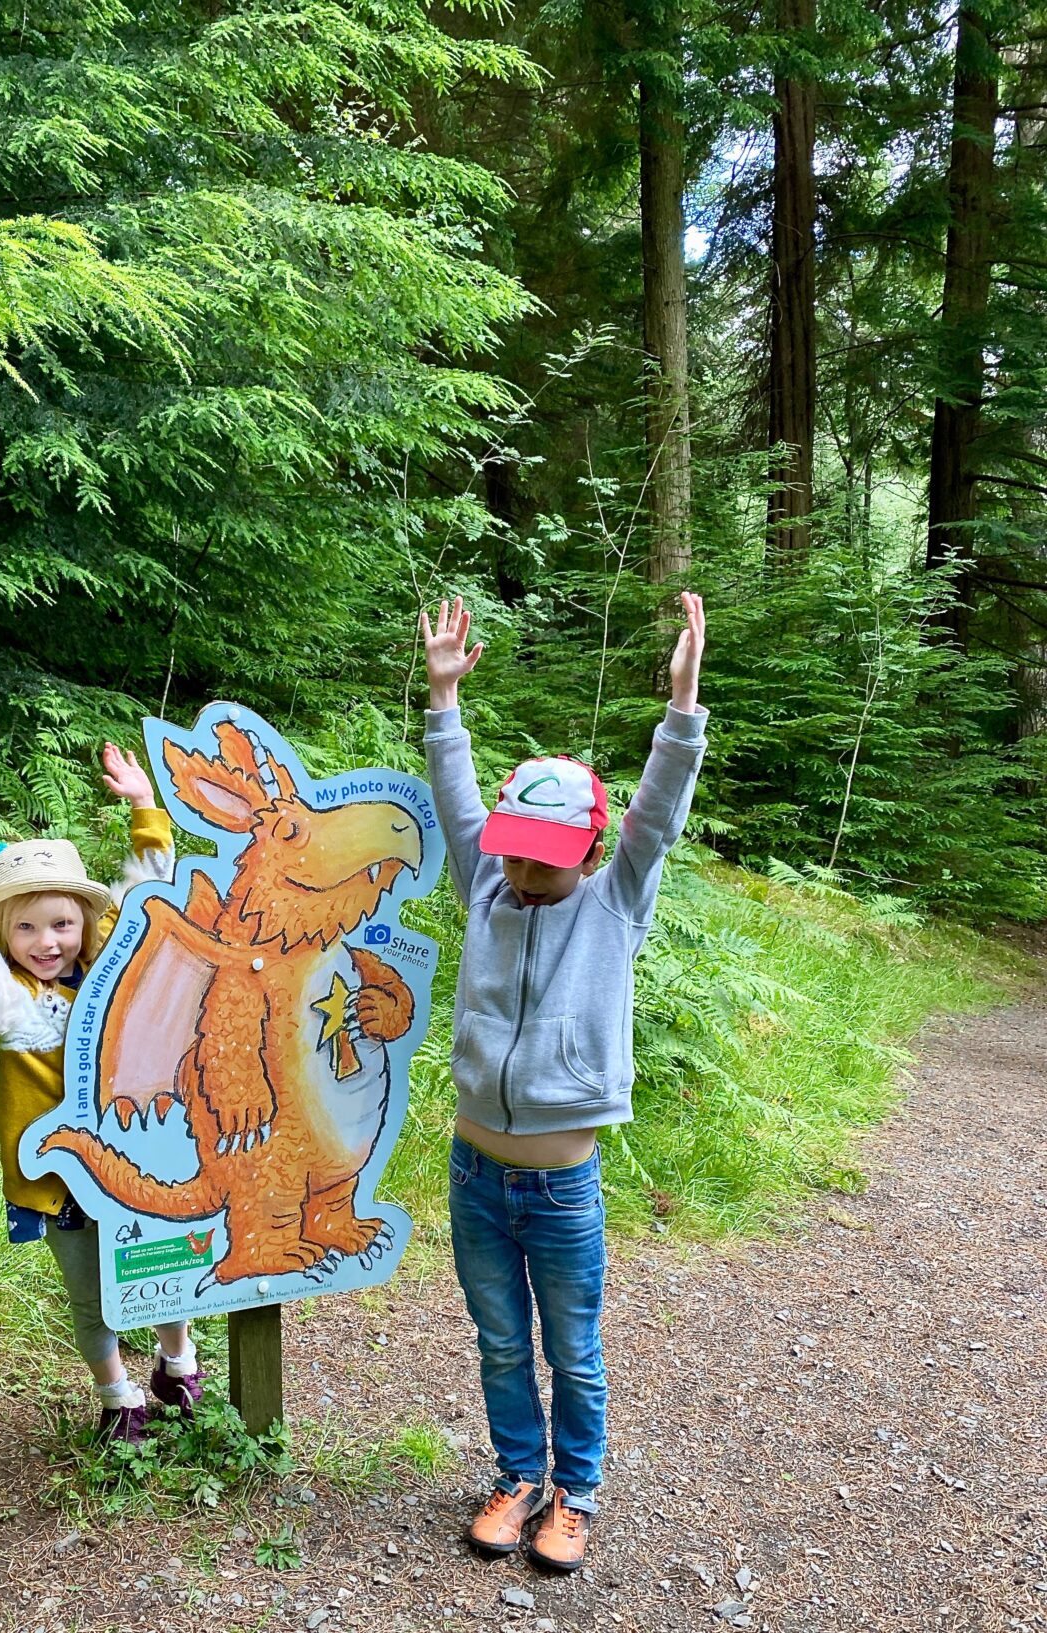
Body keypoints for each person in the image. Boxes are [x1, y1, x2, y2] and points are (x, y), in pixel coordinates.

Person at [419, 592, 707, 1572]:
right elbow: (458, 802)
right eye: (516, 856)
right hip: (475, 1174)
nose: (528, 877)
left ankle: (574, 1496)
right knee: (502, 1342)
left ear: (592, 848)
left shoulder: (616, 902)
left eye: (549, 861)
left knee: (572, 1350)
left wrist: (682, 711)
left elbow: (659, 815)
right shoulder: (489, 888)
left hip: (562, 1187)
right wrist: (444, 700)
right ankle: (518, 1477)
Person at [0, 743, 203, 1443]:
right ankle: (116, 1395)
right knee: (92, 1292)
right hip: (61, 1179)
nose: (47, 941)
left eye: (62, 923)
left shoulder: (112, 968)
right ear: (5, 934)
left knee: (163, 1261)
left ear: (85, 924)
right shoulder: (13, 1002)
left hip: (137, 1154)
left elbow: (144, 894)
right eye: (26, 928)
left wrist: (146, 808)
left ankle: (175, 1364)